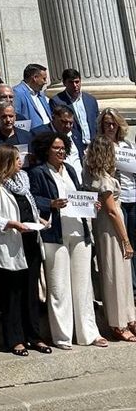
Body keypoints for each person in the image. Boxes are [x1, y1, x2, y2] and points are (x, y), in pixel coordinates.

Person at [28, 132, 105, 349]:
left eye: (63, 148)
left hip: (79, 232)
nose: (61, 151)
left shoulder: (70, 169)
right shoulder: (38, 172)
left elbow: (80, 194)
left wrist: (92, 204)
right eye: (56, 148)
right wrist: (51, 203)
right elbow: (32, 198)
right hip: (55, 234)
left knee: (83, 285)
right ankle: (62, 336)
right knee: (59, 286)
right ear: (46, 150)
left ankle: (88, 333)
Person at [0, 144, 52, 356]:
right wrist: (12, 224)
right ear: (5, 162)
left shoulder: (21, 181)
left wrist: (38, 220)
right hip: (11, 243)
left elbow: (27, 206)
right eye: (15, 158)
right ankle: (15, 340)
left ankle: (34, 336)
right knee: (12, 294)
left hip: (30, 240)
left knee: (30, 292)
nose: (20, 162)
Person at [83, 136, 136, 342]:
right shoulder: (104, 179)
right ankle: (117, 322)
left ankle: (129, 317)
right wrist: (126, 240)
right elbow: (112, 211)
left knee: (121, 274)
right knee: (114, 274)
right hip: (111, 229)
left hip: (109, 226)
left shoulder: (97, 174)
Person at [95, 107, 136, 289]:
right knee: (122, 241)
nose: (111, 127)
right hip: (116, 199)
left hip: (133, 195)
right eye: (107, 124)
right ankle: (130, 286)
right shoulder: (100, 145)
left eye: (113, 124)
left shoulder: (127, 145)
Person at [49, 68, 98, 147]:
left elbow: (96, 123)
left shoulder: (90, 100)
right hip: (73, 145)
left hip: (93, 145)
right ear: (64, 83)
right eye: (71, 82)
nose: (75, 85)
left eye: (77, 82)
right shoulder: (57, 101)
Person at [13, 64, 52, 129]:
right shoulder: (17, 93)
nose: (46, 82)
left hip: (49, 132)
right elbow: (16, 118)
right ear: (35, 78)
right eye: (44, 79)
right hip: (34, 135)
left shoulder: (41, 93)